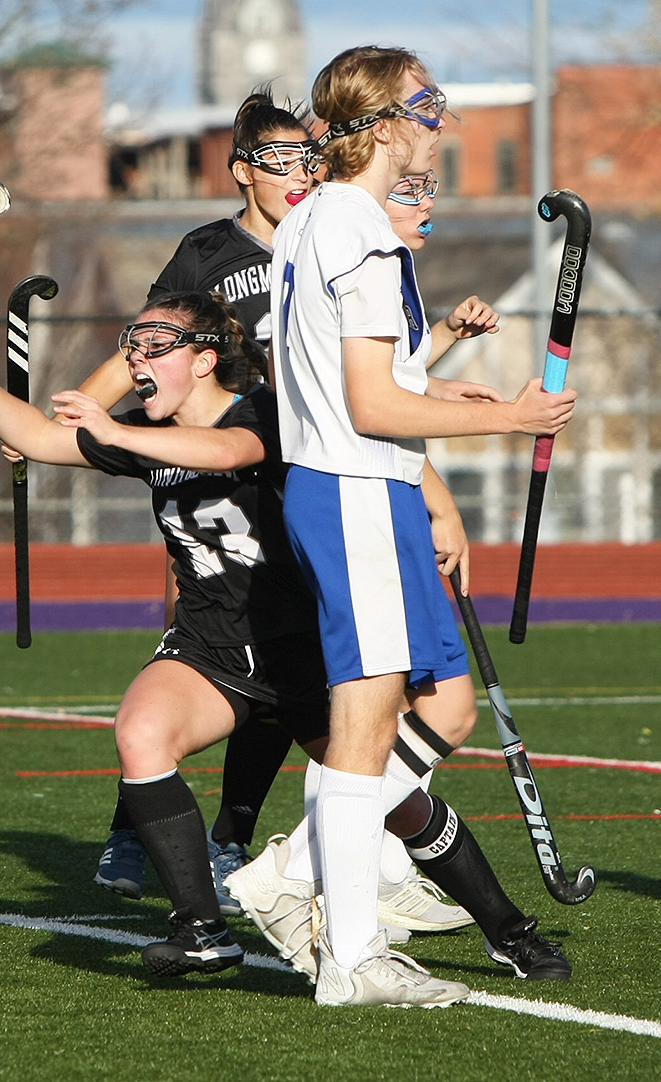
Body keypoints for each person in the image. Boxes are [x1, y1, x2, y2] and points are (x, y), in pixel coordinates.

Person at [77, 91, 477, 937]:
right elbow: (142, 344)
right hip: (240, 469)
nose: (297, 171)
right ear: (242, 172)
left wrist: (437, 501)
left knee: (315, 671)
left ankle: (309, 849)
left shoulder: (331, 236)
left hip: (322, 469)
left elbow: (375, 386)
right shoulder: (213, 252)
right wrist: (73, 412)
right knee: (222, 642)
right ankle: (178, 837)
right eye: (278, 159)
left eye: (307, 156)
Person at [239, 45, 577, 1008]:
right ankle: (351, 954)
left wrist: (438, 389)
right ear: (382, 124)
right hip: (352, 485)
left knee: (372, 716)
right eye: (423, 101)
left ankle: (343, 940)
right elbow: (373, 406)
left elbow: (359, 390)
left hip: (342, 484)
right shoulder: (361, 231)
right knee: (361, 723)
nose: (440, 113)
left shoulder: (312, 221)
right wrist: (507, 418)